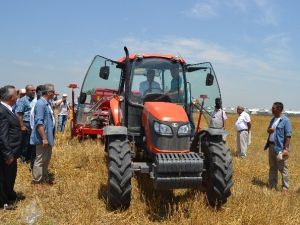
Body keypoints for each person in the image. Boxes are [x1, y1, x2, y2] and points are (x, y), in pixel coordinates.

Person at [0, 85, 22, 210]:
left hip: (12, 151)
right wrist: (8, 154)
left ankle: (9, 195)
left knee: (10, 175)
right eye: (15, 94)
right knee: (4, 177)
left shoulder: (7, 108)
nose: (17, 96)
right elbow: (2, 135)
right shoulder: (2, 111)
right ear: (10, 97)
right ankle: (3, 202)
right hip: (6, 153)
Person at [30, 84, 56, 184]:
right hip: (43, 137)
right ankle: (37, 181)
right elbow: (39, 122)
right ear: (49, 93)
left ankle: (44, 178)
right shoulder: (40, 104)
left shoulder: (47, 103)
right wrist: (44, 138)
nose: (54, 93)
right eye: (53, 92)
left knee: (46, 158)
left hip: (48, 136)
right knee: (40, 159)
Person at [264, 102, 292, 192]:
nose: (272, 109)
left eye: (273, 108)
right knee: (272, 167)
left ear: (279, 109)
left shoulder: (286, 121)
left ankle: (285, 187)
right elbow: (268, 130)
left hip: (279, 148)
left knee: (283, 168)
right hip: (271, 146)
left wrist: (286, 149)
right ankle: (272, 185)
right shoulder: (273, 119)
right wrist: (270, 130)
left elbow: (288, 136)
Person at [15, 85, 36, 164]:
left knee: (32, 142)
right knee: (25, 143)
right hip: (26, 123)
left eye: (34, 90)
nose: (34, 92)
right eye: (32, 90)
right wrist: (22, 126)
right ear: (27, 91)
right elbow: (19, 113)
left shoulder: (34, 100)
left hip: (33, 124)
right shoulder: (23, 100)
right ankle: (23, 158)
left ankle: (29, 158)